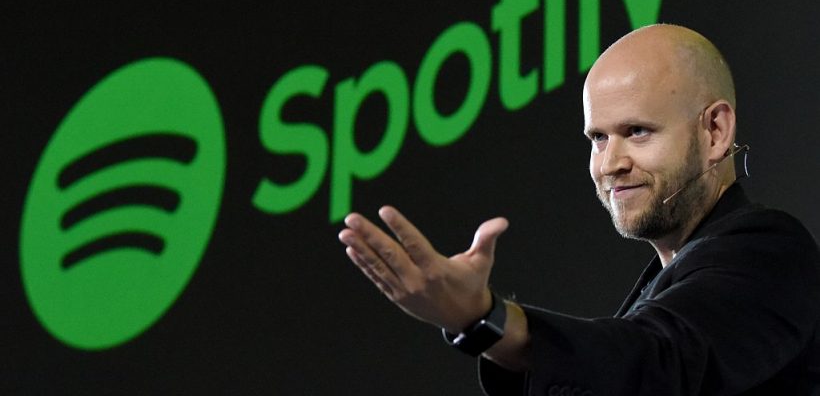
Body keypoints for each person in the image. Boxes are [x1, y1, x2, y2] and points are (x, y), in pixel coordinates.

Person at [337, 24, 820, 395]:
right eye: (597, 138)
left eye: (637, 132)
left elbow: (656, 363)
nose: (610, 164)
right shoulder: (665, 285)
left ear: (715, 131)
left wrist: (487, 318)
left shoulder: (771, 251)